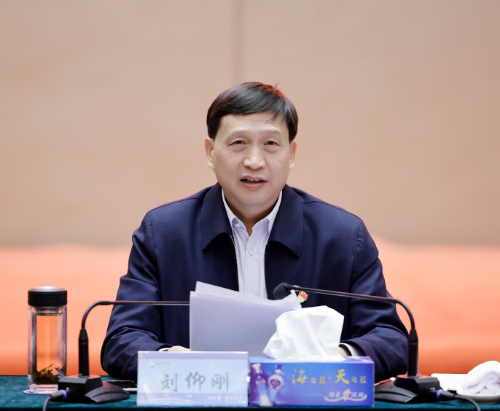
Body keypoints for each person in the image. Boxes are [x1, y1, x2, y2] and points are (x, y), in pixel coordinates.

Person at [101, 82, 408, 382]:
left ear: (291, 154)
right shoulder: (163, 234)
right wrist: (174, 360)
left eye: (271, 144)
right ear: (210, 152)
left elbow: (390, 338)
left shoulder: (343, 236)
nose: (254, 161)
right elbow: (122, 340)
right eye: (238, 143)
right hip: (200, 401)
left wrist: (336, 356)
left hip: (305, 403)